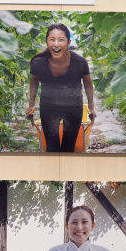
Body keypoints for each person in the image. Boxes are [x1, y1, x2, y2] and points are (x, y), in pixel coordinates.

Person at [26, 23, 96, 153]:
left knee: (68, 148)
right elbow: (34, 81)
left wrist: (91, 107)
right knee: (52, 148)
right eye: (52, 39)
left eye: (61, 40)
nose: (56, 44)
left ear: (69, 42)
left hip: (73, 108)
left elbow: (87, 83)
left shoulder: (80, 63)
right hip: (49, 107)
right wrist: (31, 105)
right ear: (47, 41)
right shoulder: (39, 63)